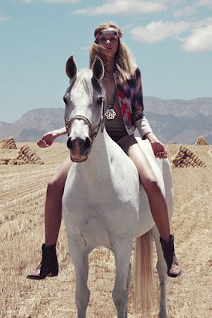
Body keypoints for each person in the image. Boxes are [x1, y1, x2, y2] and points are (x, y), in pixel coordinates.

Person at [27, 22, 182, 280]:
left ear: (119, 42)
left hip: (123, 137)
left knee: (153, 183)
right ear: (96, 42)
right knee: (54, 185)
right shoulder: (86, 77)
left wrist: (152, 139)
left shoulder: (132, 75)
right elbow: (82, 115)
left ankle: (169, 253)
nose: (109, 43)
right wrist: (58, 132)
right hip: (96, 139)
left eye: (113, 38)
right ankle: (48, 258)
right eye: (103, 38)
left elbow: (139, 115)